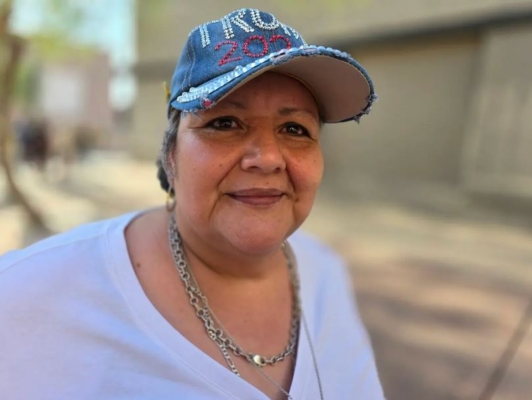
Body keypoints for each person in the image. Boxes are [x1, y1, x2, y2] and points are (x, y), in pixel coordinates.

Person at [0, 8, 383, 400]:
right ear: (171, 154)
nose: (268, 157)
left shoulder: (326, 273)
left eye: (295, 129)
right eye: (225, 123)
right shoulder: (24, 296)